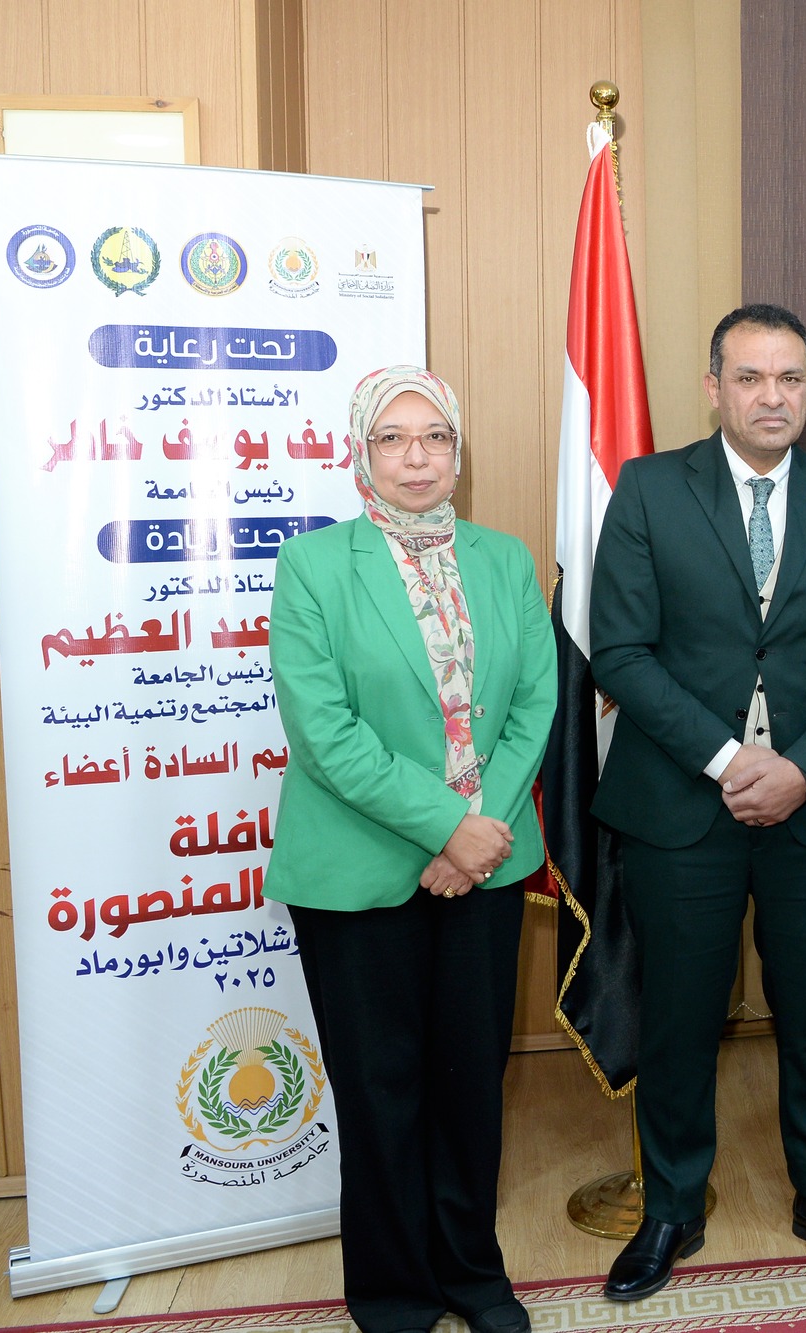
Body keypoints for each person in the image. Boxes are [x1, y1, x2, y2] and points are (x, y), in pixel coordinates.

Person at [589, 304, 806, 1298]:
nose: (773, 396)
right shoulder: (648, 488)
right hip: (681, 808)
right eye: (751, 377)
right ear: (713, 387)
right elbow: (620, 652)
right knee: (680, 1021)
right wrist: (731, 760)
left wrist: (801, 767)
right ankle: (673, 1205)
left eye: (790, 379)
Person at [267, 365, 556, 1333]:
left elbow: (533, 704)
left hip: (487, 862)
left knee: (470, 1083)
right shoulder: (312, 565)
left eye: (434, 436)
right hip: (356, 871)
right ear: (361, 453)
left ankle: (473, 1274)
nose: (417, 456)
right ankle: (393, 1292)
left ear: (457, 452)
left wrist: (475, 835)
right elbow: (325, 732)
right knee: (380, 1088)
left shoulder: (505, 559)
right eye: (392, 438)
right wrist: (445, 826)